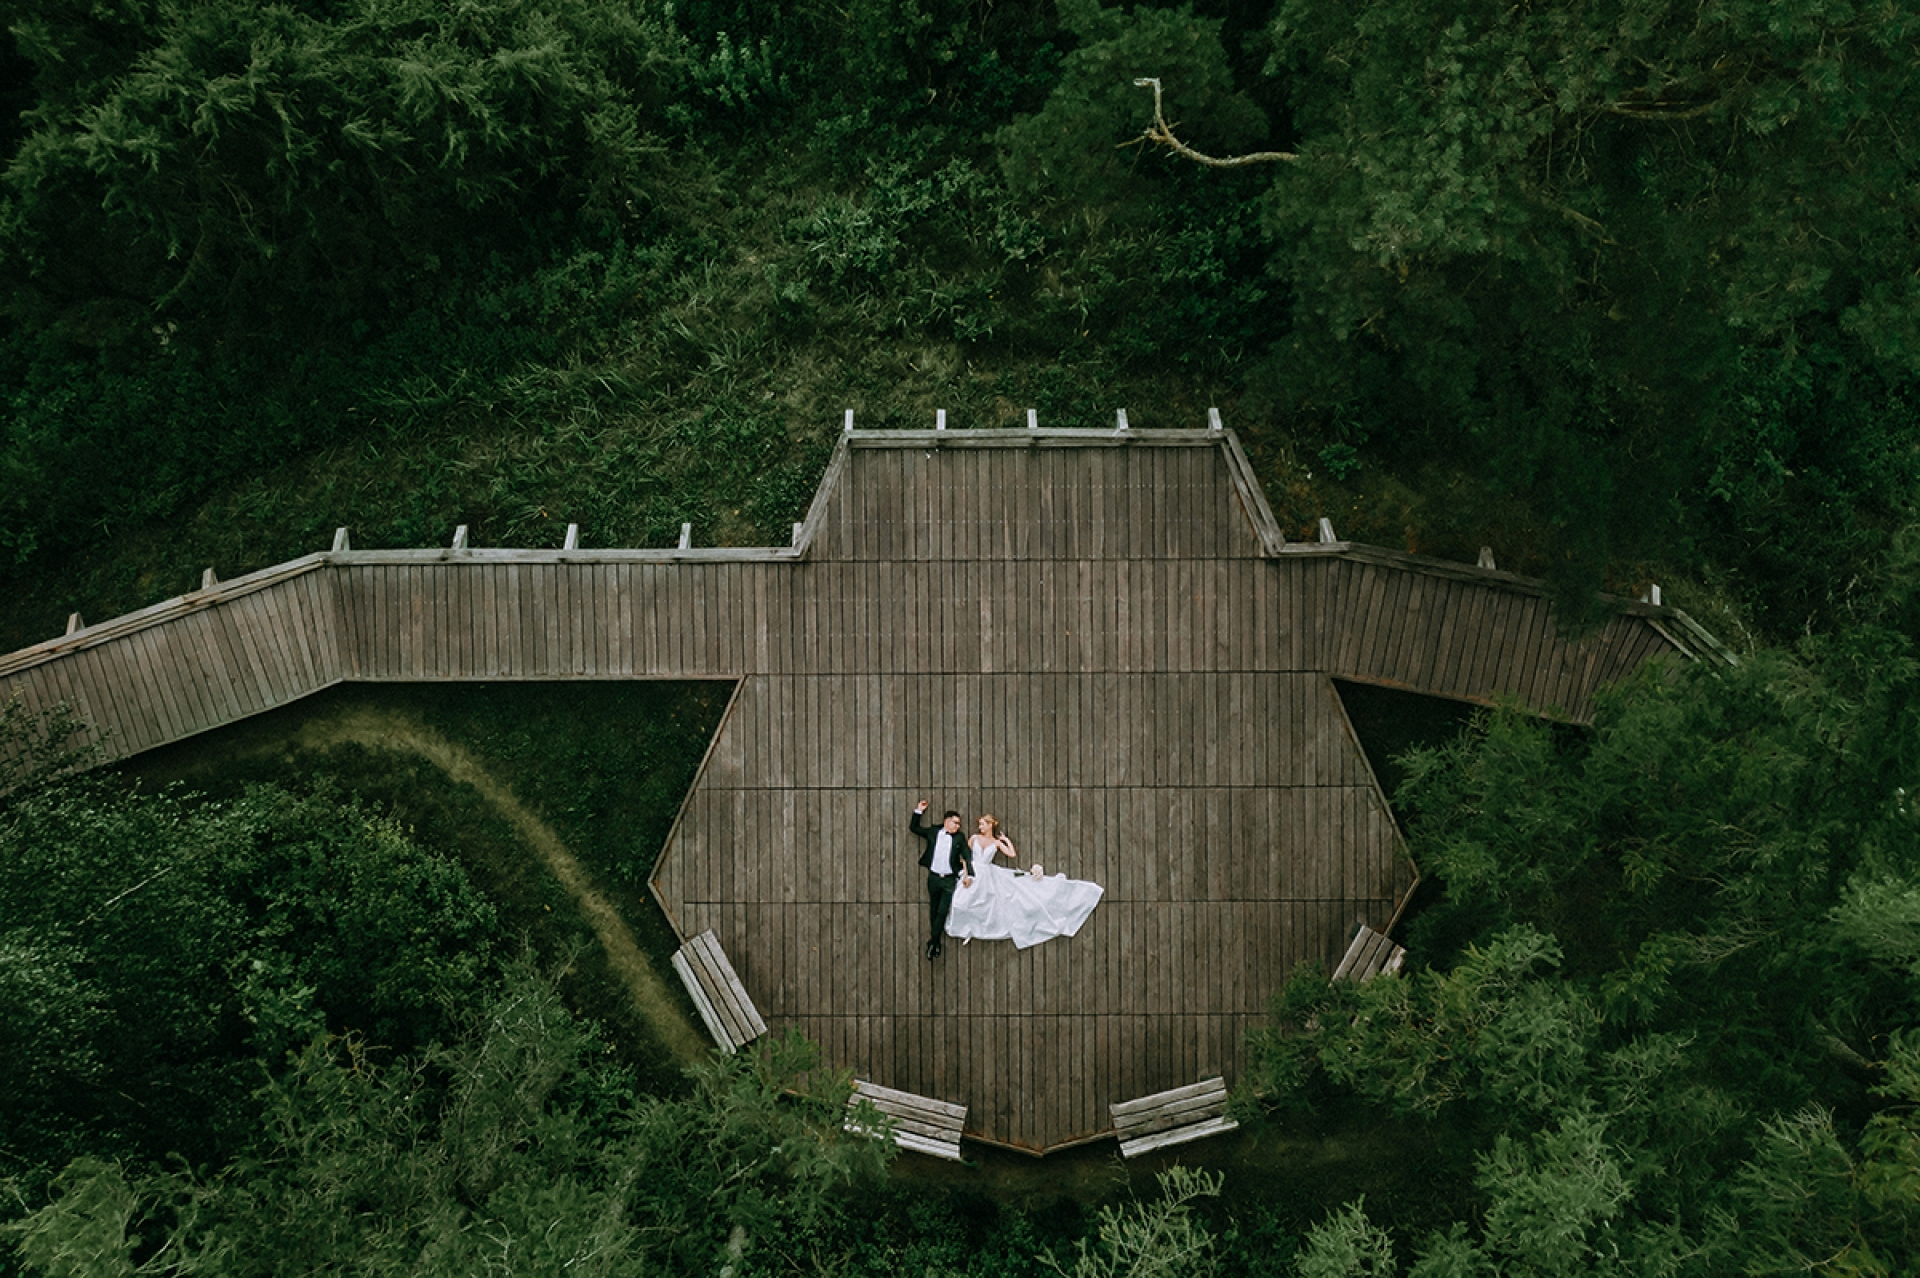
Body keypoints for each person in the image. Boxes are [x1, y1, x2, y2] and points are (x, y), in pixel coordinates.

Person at [945, 814, 1104, 949]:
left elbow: (1011, 854)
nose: (979, 827)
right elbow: (965, 857)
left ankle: (979, 927)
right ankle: (967, 927)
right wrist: (966, 875)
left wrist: (1006, 840)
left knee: (990, 900)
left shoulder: (996, 842)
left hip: (987, 872)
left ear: (989, 825)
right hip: (973, 871)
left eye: (982, 824)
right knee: (962, 901)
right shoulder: (974, 838)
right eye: (979, 825)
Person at [909, 801, 973, 960]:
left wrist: (969, 875)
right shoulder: (933, 831)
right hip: (933, 878)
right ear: (947, 821)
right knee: (933, 910)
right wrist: (918, 811)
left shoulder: (959, 837)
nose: (958, 826)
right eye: (955, 822)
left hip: (949, 880)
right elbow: (914, 828)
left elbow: (967, 855)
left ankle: (933, 943)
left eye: (959, 824)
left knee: (942, 911)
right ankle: (935, 942)